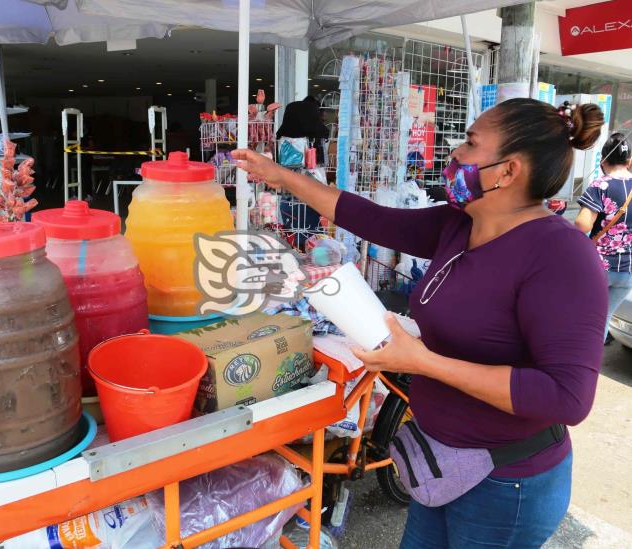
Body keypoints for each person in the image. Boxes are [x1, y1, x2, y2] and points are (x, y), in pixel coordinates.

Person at [233, 97, 607, 548]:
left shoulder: (561, 255)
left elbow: (567, 398)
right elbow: (368, 218)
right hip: (439, 462)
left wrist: (424, 362)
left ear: (508, 172)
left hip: (505, 483)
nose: (455, 153)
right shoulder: (460, 223)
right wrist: (279, 175)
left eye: (470, 143)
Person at [575, 132, 632, 344]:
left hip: (599, 268)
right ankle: (590, 369)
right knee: (602, 322)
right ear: (629, 161)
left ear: (603, 160)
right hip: (627, 272)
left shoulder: (601, 185)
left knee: (581, 319)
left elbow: (582, 224)